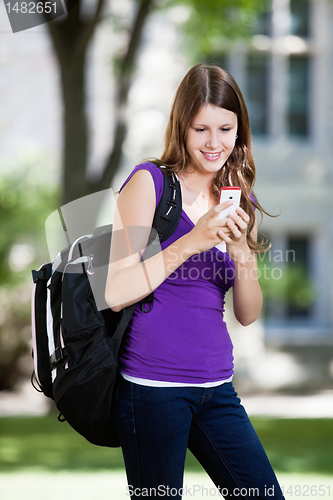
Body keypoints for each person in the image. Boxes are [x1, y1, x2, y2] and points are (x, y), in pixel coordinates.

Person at [105, 64, 285, 499]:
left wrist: (242, 251)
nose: (214, 142)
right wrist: (193, 239)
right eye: (200, 128)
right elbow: (113, 292)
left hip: (216, 389)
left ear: (239, 129)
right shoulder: (148, 184)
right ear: (181, 127)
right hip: (152, 390)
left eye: (226, 128)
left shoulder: (237, 194)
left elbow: (248, 313)